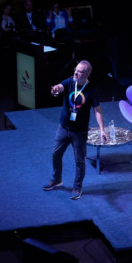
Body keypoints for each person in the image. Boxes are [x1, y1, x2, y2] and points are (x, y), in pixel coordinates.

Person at [43, 60, 107, 200]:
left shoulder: (92, 90)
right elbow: (60, 87)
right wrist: (55, 90)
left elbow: (97, 111)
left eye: (79, 71)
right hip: (64, 127)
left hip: (79, 131)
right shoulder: (70, 82)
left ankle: (77, 186)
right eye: (75, 69)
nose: (75, 73)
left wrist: (102, 129)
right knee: (56, 154)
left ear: (87, 74)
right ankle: (57, 178)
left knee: (79, 161)